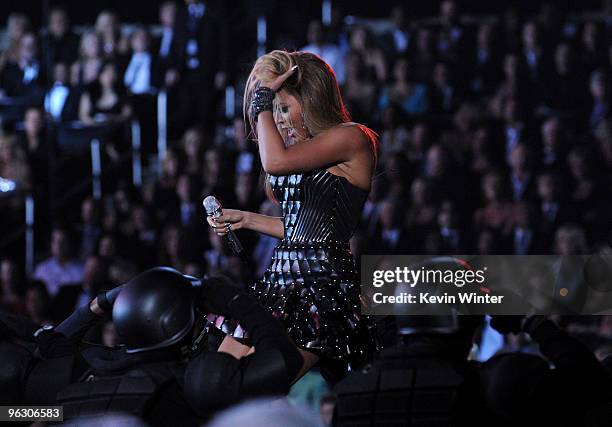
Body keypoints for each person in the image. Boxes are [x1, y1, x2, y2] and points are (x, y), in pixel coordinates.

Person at [207, 50, 378, 382]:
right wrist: (247, 219)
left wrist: (260, 101)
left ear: (312, 99)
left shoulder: (353, 137)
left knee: (258, 384)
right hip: (279, 283)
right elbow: (303, 228)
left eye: (283, 109)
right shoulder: (304, 152)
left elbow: (275, 163)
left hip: (321, 286)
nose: (278, 119)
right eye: (274, 111)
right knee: (217, 381)